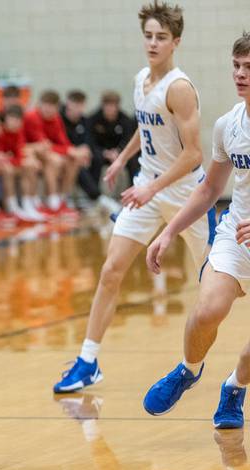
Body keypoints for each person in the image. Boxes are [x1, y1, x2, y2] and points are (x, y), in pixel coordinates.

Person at [53, 2, 214, 393]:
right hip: (149, 187)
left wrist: (150, 187)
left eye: (162, 37)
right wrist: (123, 160)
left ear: (176, 42)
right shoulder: (142, 78)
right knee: (111, 271)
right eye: (149, 36)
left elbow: (194, 153)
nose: (153, 43)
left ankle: (198, 362)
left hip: (185, 193)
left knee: (214, 286)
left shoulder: (179, 88)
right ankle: (88, 361)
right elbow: (144, 128)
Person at [142, 32, 250, 425]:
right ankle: (189, 369)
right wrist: (169, 232)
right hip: (237, 234)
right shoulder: (228, 125)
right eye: (236, 66)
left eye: (249, 68)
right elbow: (209, 189)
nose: (240, 74)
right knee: (208, 310)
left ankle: (234, 387)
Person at [89, 90, 140, 187]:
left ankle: (133, 188)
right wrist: (104, 152)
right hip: (101, 153)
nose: (110, 109)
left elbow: (127, 140)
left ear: (117, 106)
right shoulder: (94, 119)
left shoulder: (125, 120)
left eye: (113, 106)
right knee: (96, 159)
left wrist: (118, 151)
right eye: (107, 106)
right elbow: (91, 141)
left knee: (132, 158)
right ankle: (95, 193)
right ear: (103, 106)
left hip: (119, 153)